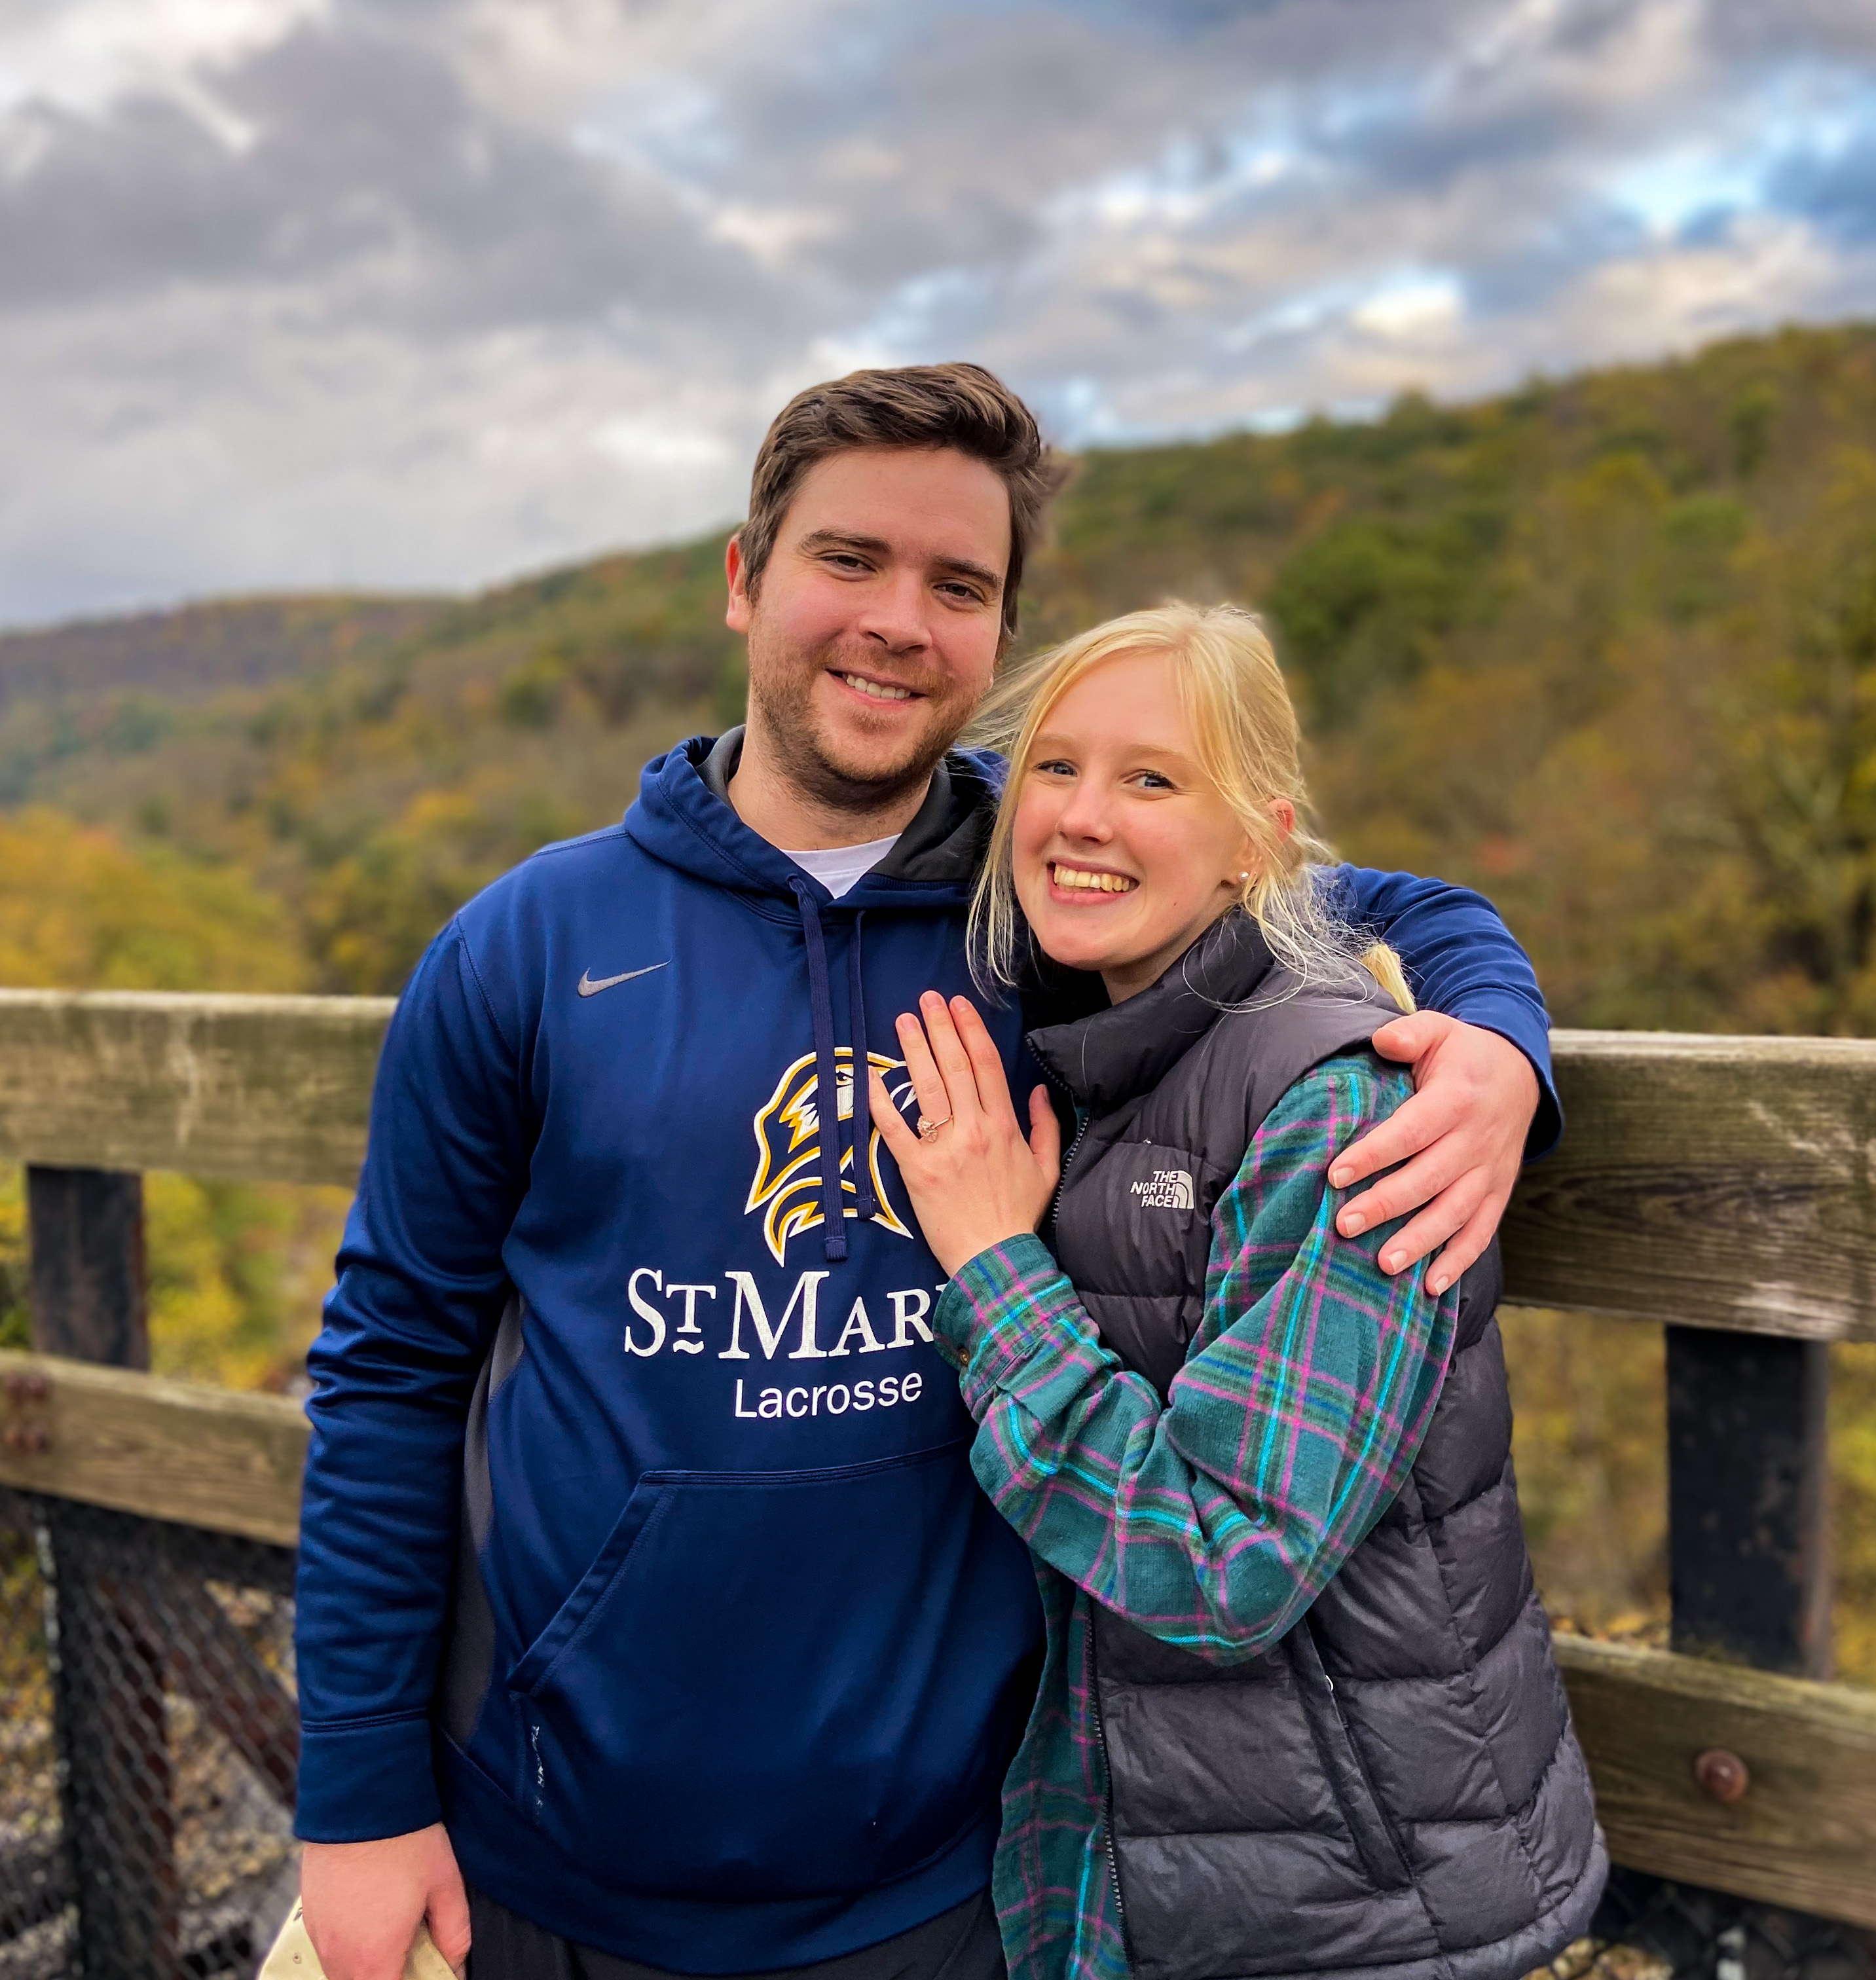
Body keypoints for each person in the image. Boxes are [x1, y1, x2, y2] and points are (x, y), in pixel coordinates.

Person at [294, 365, 1566, 1980]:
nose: (901, 619)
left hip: (955, 1883)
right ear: (746, 579)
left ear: (995, 638)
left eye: (959, 587)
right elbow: (391, 1368)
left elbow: (1380, 899)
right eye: (850, 561)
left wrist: (1502, 1046)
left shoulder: (1053, 906)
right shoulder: (532, 945)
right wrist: (354, 1794)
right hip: (558, 1860)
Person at [868, 601, 1606, 1980]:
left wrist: (993, 1265)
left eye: (1153, 779)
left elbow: (1219, 1568)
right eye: (1056, 767)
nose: (1086, 815)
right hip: (1147, 1872)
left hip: (1358, 1913)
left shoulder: (1341, 1110)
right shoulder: (1101, 1022)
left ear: (1256, 839)